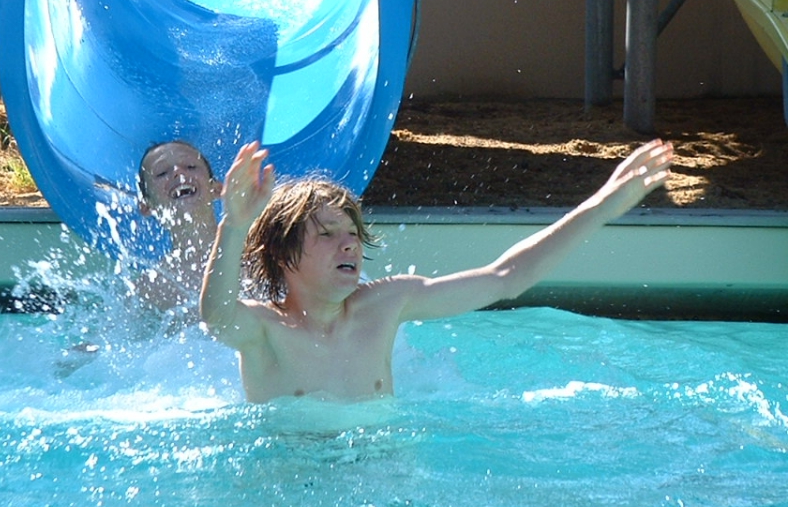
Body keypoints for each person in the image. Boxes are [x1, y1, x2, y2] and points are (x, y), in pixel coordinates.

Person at [200, 138, 674, 403]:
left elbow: (508, 277)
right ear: (284, 255)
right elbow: (215, 314)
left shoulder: (385, 304)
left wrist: (601, 206)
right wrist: (235, 224)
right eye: (326, 234)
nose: (347, 243)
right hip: (292, 481)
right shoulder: (264, 331)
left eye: (351, 233)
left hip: (379, 478)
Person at [130, 140, 222, 312]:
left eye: (190, 167)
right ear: (146, 206)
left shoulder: (262, 255)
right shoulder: (149, 288)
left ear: (217, 189)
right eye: (162, 173)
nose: (178, 173)